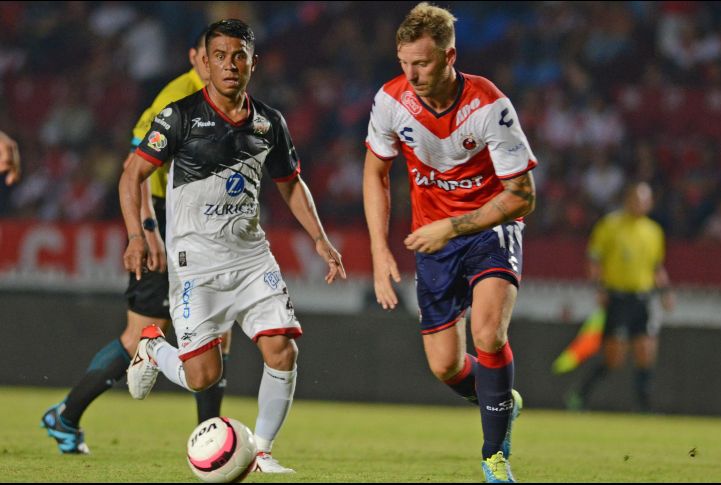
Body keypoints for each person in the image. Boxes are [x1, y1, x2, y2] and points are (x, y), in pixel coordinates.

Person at [120, 19, 345, 474]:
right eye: (220, 56)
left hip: (250, 257)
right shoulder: (179, 116)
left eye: (238, 56)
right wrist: (138, 234)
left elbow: (291, 184)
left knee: (282, 349)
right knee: (202, 376)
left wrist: (321, 240)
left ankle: (260, 450)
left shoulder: (269, 123)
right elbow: (132, 174)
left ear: (252, 63)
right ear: (204, 62)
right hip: (195, 265)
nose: (229, 65)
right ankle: (153, 347)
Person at [362, 4, 536, 483]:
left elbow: (522, 197)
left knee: (488, 334)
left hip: (488, 228)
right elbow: (375, 172)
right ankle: (501, 400)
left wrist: (454, 227)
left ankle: (494, 457)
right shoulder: (391, 100)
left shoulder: (490, 106)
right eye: (404, 63)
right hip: (433, 238)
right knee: (445, 366)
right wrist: (378, 250)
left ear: (449, 56)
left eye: (422, 63)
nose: (412, 75)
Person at [41, 30, 232, 455]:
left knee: (218, 328)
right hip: (163, 217)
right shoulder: (175, 98)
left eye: (226, 57)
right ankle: (66, 415)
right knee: (142, 333)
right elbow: (135, 165)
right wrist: (147, 230)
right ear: (194, 57)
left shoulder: (229, 97)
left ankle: (211, 438)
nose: (219, 65)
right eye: (211, 56)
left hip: (203, 220)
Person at [566, 181, 675, 413]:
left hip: (643, 298)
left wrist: (665, 292)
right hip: (618, 297)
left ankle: (644, 405)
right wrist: (599, 288)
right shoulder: (610, 225)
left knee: (646, 351)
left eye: (645, 200)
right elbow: (594, 259)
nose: (640, 204)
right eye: (636, 199)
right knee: (614, 357)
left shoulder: (654, 232)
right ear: (627, 200)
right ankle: (581, 394)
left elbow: (656, 266)